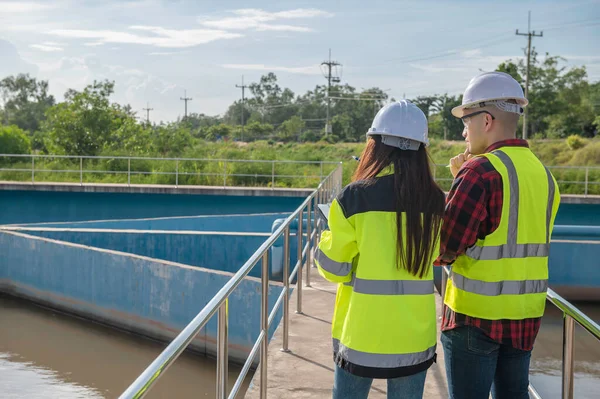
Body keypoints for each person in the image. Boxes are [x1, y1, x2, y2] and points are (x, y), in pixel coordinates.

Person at [435, 71, 561, 399]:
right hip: (526, 316)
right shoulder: (544, 175)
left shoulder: (479, 172)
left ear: (486, 120)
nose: (464, 131)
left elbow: (445, 247)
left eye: (467, 121)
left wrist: (459, 180)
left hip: (474, 320)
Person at [315, 100, 445, 399]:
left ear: (375, 146)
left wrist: (325, 238)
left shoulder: (355, 198)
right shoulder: (437, 202)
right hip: (413, 338)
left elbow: (334, 268)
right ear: (421, 150)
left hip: (362, 336)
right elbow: (436, 256)